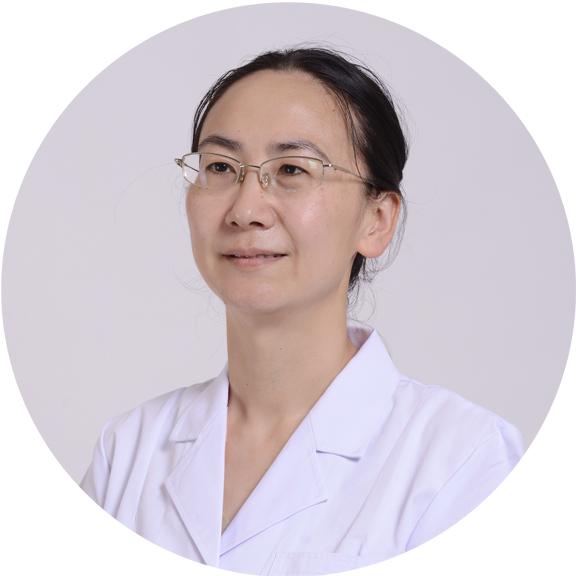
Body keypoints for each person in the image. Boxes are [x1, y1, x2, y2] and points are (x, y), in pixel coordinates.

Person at [80, 46, 524, 574]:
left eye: (292, 168)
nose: (246, 209)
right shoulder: (127, 452)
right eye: (220, 167)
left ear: (376, 220)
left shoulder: (462, 459)